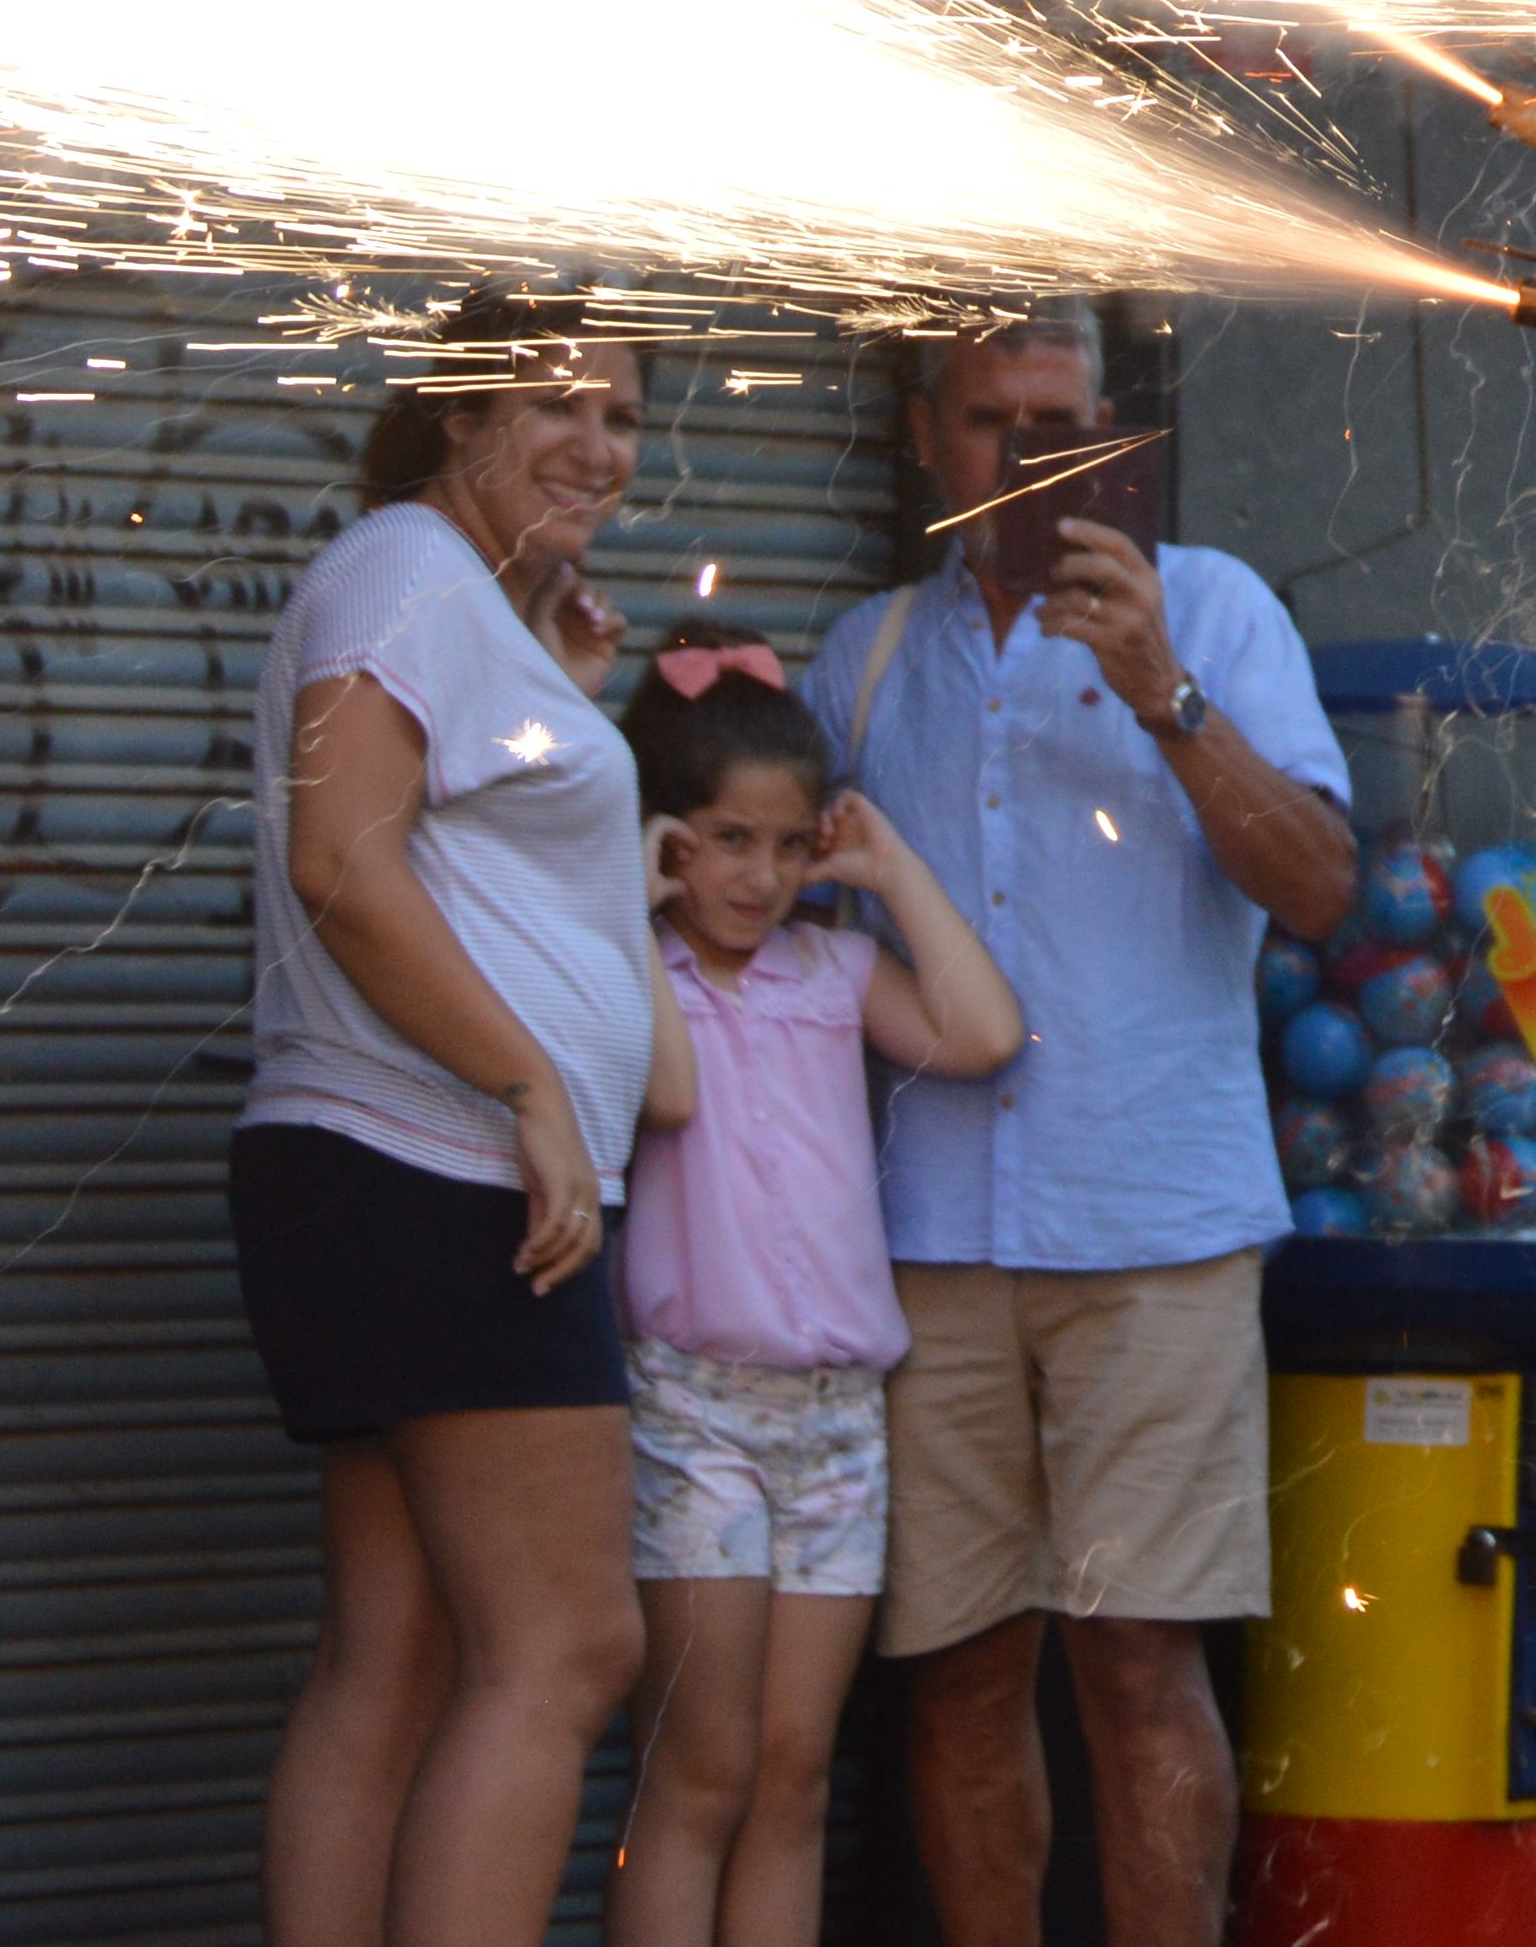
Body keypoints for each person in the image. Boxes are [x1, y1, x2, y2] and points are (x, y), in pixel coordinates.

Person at [799, 312, 1358, 1947]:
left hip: (1157, 1233)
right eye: (986, 427)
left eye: (1055, 430)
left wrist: (1162, 693)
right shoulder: (871, 656)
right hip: (929, 1240)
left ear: (1111, 438)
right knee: (962, 1674)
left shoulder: (1219, 613)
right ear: (926, 438)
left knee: (1139, 1659)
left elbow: (1321, 888)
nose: (1019, 468)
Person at [236, 295, 674, 1947]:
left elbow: (459, 842)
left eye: (624, 416)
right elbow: (341, 857)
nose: (597, 445)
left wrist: (549, 692)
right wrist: (533, 1091)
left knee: (403, 1656)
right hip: (446, 1178)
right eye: (555, 403)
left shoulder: (451, 602)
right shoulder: (407, 569)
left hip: (387, 1176)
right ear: (454, 417)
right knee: (568, 1648)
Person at [607, 642, 1024, 1947]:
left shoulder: (836, 975)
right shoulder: (637, 980)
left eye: (791, 845)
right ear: (666, 837)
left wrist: (889, 866)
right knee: (702, 1772)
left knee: (793, 1775)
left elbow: (984, 1033)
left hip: (842, 1422)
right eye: (727, 840)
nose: (762, 876)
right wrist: (619, 905)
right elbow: (657, 1082)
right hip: (694, 1418)